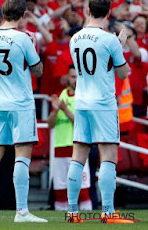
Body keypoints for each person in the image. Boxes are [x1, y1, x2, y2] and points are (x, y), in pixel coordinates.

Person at [0, 0, 47, 223]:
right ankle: (22, 212)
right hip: (21, 103)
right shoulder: (23, 38)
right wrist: (34, 47)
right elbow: (38, 71)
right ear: (23, 14)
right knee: (22, 156)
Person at [67, 0, 132, 224]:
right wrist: (121, 46)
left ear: (87, 11)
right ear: (109, 12)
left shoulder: (74, 39)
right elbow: (123, 74)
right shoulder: (110, 40)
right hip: (103, 103)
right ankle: (108, 212)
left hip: (82, 102)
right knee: (108, 157)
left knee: (78, 157)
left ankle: (72, 212)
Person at [47, 65, 92, 211]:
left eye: (78, 77)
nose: (76, 80)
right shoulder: (61, 96)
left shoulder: (85, 97)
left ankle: (86, 217)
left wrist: (64, 109)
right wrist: (55, 110)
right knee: (60, 189)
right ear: (67, 77)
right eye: (73, 77)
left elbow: (80, 122)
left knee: (83, 189)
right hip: (60, 147)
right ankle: (61, 220)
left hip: (78, 148)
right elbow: (50, 124)